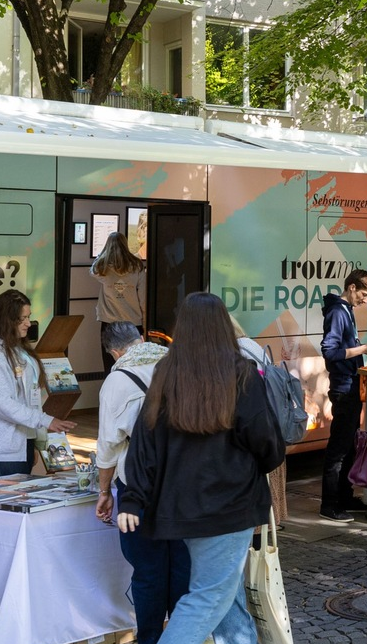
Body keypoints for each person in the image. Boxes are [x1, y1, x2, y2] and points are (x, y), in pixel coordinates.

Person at [118, 292, 285, 644]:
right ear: (224, 326)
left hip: (182, 507)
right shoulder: (241, 375)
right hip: (229, 505)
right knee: (208, 597)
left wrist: (133, 497)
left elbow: (144, 442)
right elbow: (266, 441)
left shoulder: (166, 374)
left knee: (225, 595)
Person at [95, 321, 189, 644]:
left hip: (139, 486)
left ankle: (149, 637)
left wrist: (104, 491)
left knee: (148, 569)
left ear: (114, 352)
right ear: (140, 339)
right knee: (181, 562)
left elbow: (108, 447)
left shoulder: (117, 381)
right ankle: (181, 635)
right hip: (182, 480)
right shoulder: (177, 365)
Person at [0, 289, 76, 481]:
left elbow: (28, 398)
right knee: (10, 498)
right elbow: (2, 403)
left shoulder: (16, 347)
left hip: (18, 444)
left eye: (28, 317)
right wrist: (45, 420)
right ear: (6, 320)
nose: (28, 323)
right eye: (22, 319)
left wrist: (32, 441)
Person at [320, 269, 367, 522]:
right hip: (344, 387)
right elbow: (330, 352)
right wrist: (363, 349)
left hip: (349, 384)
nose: (365, 300)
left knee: (348, 445)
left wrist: (364, 351)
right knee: (339, 448)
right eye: (364, 295)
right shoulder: (338, 312)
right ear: (352, 287)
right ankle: (330, 504)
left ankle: (344, 497)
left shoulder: (344, 310)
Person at [231, 316, 289, 527]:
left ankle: (260, 531)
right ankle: (268, 526)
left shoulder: (236, 353)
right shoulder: (249, 344)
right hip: (268, 424)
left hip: (255, 434)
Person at [91, 231, 147, 372]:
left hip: (109, 323)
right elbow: (143, 299)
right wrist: (146, 323)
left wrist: (103, 253)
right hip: (133, 323)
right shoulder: (137, 266)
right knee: (135, 366)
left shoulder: (103, 268)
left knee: (110, 367)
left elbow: (93, 269)